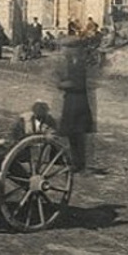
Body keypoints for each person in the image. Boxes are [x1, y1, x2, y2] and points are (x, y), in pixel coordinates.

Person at [55, 36, 95, 173]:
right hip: (71, 100)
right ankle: (75, 162)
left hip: (79, 101)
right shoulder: (71, 61)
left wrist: (63, 84)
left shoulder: (82, 63)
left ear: (74, 49)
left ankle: (80, 163)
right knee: (71, 132)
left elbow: (80, 83)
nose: (63, 51)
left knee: (78, 132)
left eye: (66, 48)